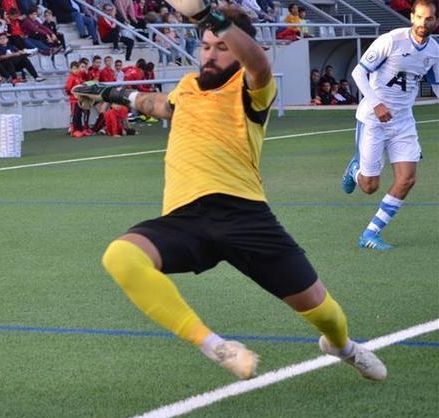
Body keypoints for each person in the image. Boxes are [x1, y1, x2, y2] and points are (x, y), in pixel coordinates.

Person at [73, 3, 387, 382]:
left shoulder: (249, 87)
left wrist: (212, 17)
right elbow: (156, 103)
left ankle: (342, 347)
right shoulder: (187, 88)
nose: (210, 53)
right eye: (206, 46)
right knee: (120, 257)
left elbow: (259, 65)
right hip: (186, 218)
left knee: (324, 313)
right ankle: (215, 346)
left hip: (246, 215)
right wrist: (110, 92)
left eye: (221, 46)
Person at [341, 0, 439, 250]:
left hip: (403, 122)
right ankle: (355, 171)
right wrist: (376, 103)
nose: (422, 23)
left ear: (436, 22)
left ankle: (370, 234)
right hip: (373, 119)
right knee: (369, 186)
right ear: (411, 17)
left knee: (407, 179)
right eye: (419, 17)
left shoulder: (434, 51)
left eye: (428, 19)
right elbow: (358, 73)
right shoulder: (391, 40)